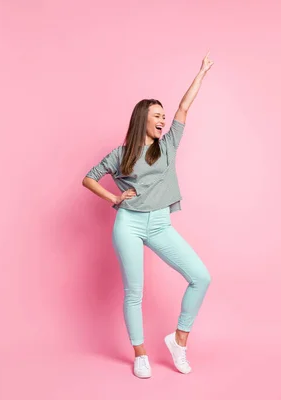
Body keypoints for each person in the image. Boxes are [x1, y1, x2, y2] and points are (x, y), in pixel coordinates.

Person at [82, 52, 214, 378]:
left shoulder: (168, 145)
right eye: (157, 115)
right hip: (128, 224)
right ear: (143, 118)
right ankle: (140, 353)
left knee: (201, 277)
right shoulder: (121, 154)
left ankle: (179, 341)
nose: (163, 119)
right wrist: (114, 196)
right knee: (134, 293)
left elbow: (184, 108)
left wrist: (202, 72)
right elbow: (88, 178)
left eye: (163, 115)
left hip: (159, 224)